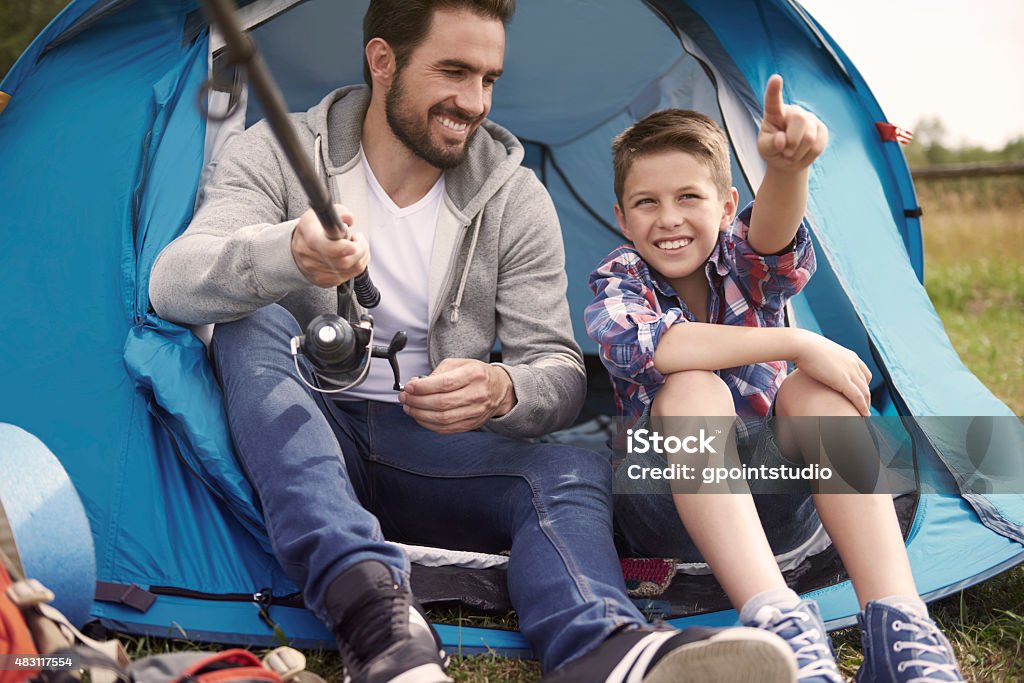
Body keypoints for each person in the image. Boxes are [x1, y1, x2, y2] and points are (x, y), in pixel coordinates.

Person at [149, 1, 798, 681]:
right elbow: (174, 282)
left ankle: (605, 648)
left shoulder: (515, 197)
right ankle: (376, 618)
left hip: (433, 452)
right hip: (299, 431)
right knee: (250, 320)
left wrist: (502, 388)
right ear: (382, 61)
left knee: (567, 467)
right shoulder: (277, 155)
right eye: (454, 71)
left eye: (488, 78)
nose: (474, 101)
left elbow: (557, 369)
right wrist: (288, 254)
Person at [585, 76, 966, 683]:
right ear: (622, 218)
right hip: (667, 511)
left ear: (727, 205)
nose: (669, 218)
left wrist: (787, 169)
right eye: (646, 203)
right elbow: (664, 345)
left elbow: (775, 238)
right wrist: (797, 339)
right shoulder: (615, 282)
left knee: (816, 392)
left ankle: (899, 623)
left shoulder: (740, 260)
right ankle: (779, 622)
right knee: (692, 384)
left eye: (689, 197)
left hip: (781, 504)